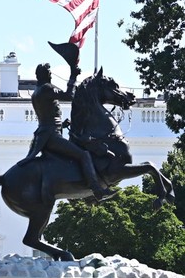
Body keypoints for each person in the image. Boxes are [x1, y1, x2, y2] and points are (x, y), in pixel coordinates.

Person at [20, 62, 115, 200]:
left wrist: (62, 125)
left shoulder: (36, 91)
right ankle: (96, 189)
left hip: (46, 133)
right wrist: (73, 75)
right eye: (49, 72)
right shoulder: (46, 89)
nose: (51, 74)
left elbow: (47, 118)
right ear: (45, 75)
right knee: (84, 155)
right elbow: (69, 96)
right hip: (51, 136)